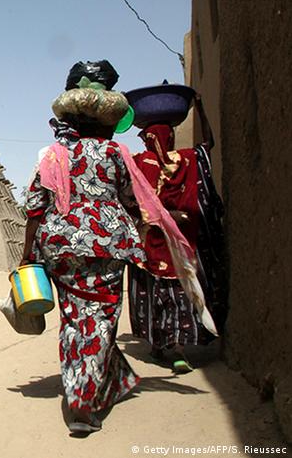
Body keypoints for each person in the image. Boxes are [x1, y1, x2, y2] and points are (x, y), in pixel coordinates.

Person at [21, 62, 216, 436]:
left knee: (76, 321)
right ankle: (82, 404)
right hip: (108, 249)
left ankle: (110, 380)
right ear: (106, 122)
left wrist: (27, 253)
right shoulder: (115, 153)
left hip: (61, 249)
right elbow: (132, 200)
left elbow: (35, 206)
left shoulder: (53, 157)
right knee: (101, 323)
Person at [128, 96, 225, 373]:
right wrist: (201, 110)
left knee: (155, 293)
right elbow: (208, 145)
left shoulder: (139, 164)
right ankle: (169, 346)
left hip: (152, 244)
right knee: (177, 292)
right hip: (180, 243)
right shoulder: (184, 160)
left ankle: (172, 348)